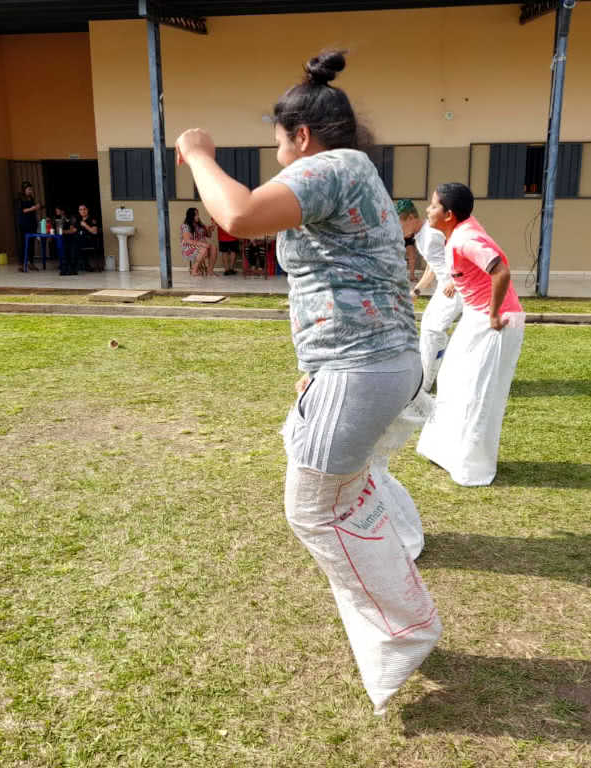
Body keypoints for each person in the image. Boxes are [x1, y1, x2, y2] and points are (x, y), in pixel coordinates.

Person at [175, 49, 440, 716]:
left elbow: (234, 216)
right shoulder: (359, 173)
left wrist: (199, 153)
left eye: (277, 147)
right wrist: (316, 367)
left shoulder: (331, 166)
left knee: (315, 507)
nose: (279, 163)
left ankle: (407, 626)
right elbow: (345, 272)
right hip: (365, 363)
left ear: (301, 135)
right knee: (343, 480)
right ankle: (400, 578)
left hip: (365, 367)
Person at [415, 182, 526, 487]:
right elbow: (468, 272)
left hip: (496, 323)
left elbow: (500, 272)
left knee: (479, 392)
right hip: (475, 317)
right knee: (452, 381)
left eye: (434, 205)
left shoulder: (466, 238)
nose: (428, 210)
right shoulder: (456, 235)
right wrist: (455, 282)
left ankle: (472, 467)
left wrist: (493, 313)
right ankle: (444, 451)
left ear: (449, 214)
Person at [397, 199, 463, 391]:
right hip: (447, 286)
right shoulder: (421, 236)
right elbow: (433, 267)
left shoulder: (432, 233)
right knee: (432, 328)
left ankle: (424, 383)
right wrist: (417, 290)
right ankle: (432, 376)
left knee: (431, 330)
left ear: (410, 218)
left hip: (454, 287)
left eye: (399, 224)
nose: (397, 231)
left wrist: (455, 279)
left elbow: (456, 251)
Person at [180, 207, 217, 276]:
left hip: (201, 245)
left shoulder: (199, 224)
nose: (198, 216)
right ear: (191, 216)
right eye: (196, 215)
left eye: (198, 214)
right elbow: (187, 240)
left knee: (213, 247)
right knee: (204, 249)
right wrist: (202, 244)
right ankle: (194, 270)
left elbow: (208, 235)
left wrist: (210, 228)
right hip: (189, 247)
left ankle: (210, 270)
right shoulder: (185, 226)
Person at [17, 182, 41, 271]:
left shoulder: (31, 198)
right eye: (29, 189)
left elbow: (33, 210)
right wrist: (34, 208)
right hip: (24, 223)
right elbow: (23, 210)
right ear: (24, 190)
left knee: (31, 243)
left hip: (32, 223)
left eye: (31, 189)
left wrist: (36, 208)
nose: (30, 191)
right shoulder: (20, 199)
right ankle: (22, 264)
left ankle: (31, 262)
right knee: (23, 243)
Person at [74, 204, 102, 272]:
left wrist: (85, 225)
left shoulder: (92, 219)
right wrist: (63, 231)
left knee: (74, 244)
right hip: (80, 239)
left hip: (89, 240)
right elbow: (74, 230)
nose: (83, 211)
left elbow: (94, 232)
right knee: (69, 242)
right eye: (81, 209)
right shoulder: (78, 220)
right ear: (79, 211)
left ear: (87, 210)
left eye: (84, 209)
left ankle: (80, 265)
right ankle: (78, 265)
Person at [53, 205, 78, 276]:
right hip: (64, 238)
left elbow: (72, 230)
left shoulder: (71, 218)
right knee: (63, 248)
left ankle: (72, 268)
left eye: (58, 211)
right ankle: (64, 267)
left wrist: (63, 232)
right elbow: (58, 229)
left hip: (72, 238)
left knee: (70, 249)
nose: (56, 212)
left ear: (63, 211)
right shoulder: (58, 219)